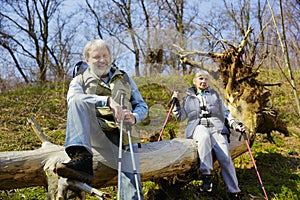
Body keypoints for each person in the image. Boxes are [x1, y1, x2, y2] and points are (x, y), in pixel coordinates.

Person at [55, 39, 148, 200]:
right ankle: (81, 158)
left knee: (131, 183)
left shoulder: (124, 78)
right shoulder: (80, 79)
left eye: (105, 55)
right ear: (87, 60)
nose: (102, 60)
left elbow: (142, 106)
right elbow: (73, 99)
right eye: (96, 57)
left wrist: (134, 116)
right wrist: (106, 101)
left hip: (122, 135)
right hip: (95, 135)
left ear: (110, 57)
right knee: (77, 101)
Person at [171, 70, 246, 200]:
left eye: (206, 79)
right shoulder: (188, 99)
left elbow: (226, 113)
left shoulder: (215, 95)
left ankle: (234, 192)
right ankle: (206, 177)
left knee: (225, 157)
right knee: (203, 133)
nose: (203, 81)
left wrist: (235, 125)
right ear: (194, 81)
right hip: (197, 128)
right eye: (200, 78)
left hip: (217, 128)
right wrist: (176, 104)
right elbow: (180, 117)